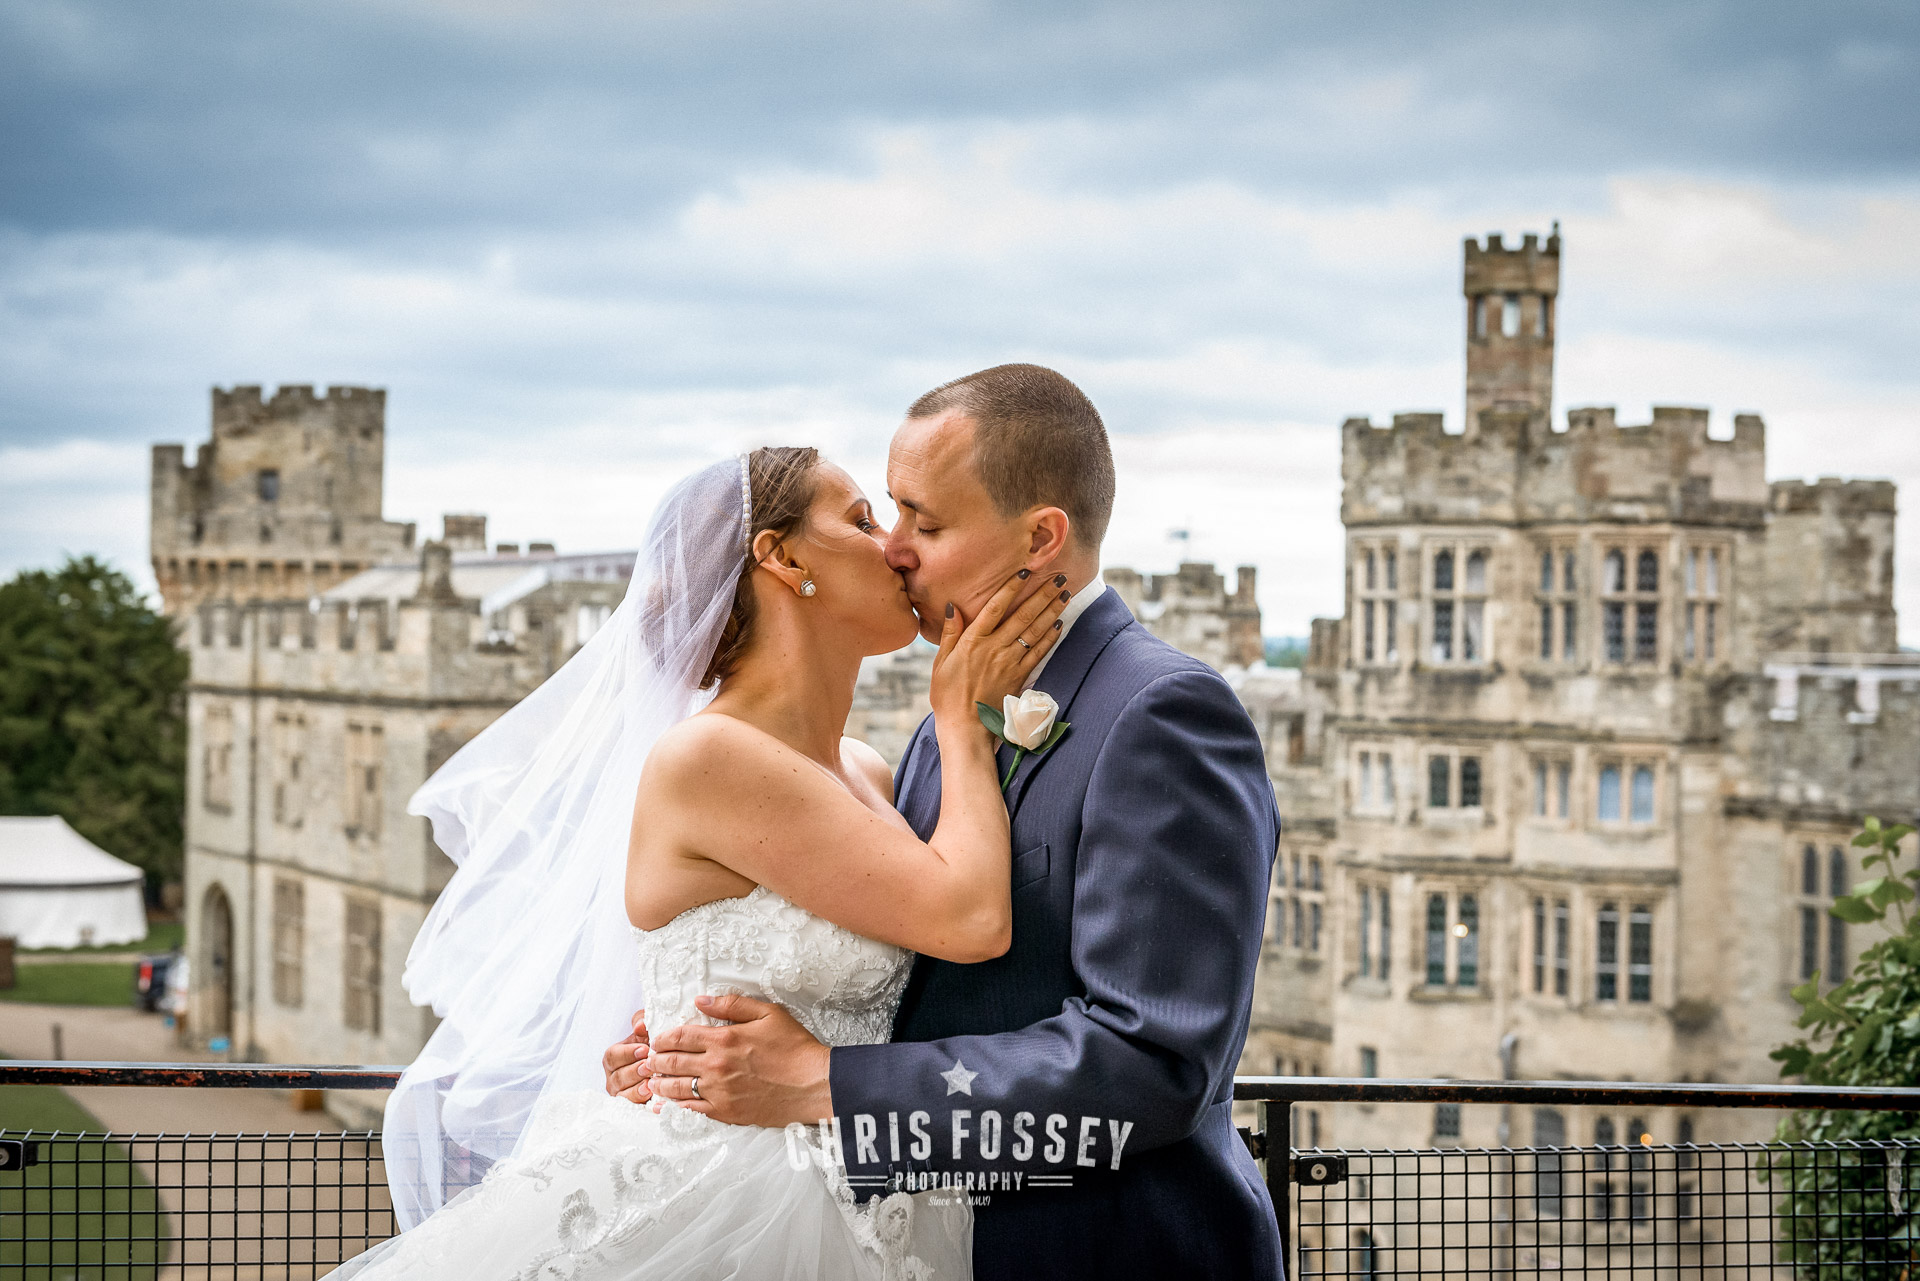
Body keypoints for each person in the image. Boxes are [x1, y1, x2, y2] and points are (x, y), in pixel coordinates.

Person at [607, 365, 1285, 1279]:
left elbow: (1153, 1064)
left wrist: (823, 1082)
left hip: (1100, 1253)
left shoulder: (1161, 713)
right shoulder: (936, 734)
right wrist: (688, 1043)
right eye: (884, 517)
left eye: (924, 524)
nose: (895, 550)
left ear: (1043, 536)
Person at [326, 446, 1068, 1279]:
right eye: (862, 519)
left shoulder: (867, 770)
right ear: (783, 558)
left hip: (869, 1186)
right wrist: (963, 721)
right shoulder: (711, 756)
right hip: (729, 1197)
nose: (895, 546)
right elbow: (969, 918)